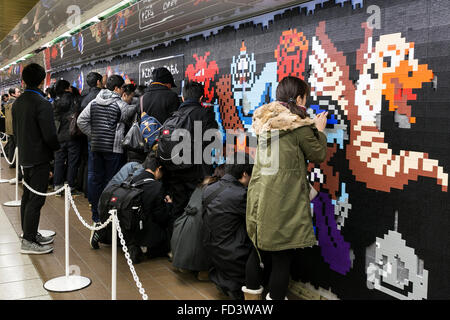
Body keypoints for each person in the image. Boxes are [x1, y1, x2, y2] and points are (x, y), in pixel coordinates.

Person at [242, 76, 328, 300]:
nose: (306, 104)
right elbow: (318, 154)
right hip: (282, 199)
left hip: (259, 195)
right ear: (299, 98)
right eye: (305, 99)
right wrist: (320, 130)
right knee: (282, 257)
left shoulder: (264, 120)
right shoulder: (298, 125)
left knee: (257, 250)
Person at [77, 75, 138, 227]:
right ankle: (108, 214)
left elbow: (80, 121)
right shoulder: (120, 104)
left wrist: (95, 134)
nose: (124, 90)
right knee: (111, 181)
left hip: (96, 146)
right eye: (122, 87)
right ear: (117, 89)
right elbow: (130, 112)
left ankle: (96, 215)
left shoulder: (94, 102)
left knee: (96, 179)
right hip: (114, 148)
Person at [12, 63, 60, 254]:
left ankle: (28, 234)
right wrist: (56, 150)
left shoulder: (18, 103)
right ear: (42, 81)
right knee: (36, 200)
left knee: (27, 197)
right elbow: (49, 135)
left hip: (24, 156)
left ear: (24, 81)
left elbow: (16, 131)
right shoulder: (42, 104)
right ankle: (29, 241)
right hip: (39, 157)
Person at [92, 152, 173, 264]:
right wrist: (169, 204)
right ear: (158, 169)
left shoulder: (132, 178)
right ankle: (144, 249)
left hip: (128, 224)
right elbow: (161, 216)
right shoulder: (157, 187)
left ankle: (104, 233)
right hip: (145, 230)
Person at [163, 80, 219, 233]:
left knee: (177, 208)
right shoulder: (204, 113)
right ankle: (192, 247)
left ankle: (174, 246)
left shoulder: (175, 115)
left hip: (175, 170)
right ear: (201, 98)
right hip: (196, 170)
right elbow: (212, 139)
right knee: (196, 208)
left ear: (183, 98)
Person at [202, 153, 254, 300]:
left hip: (210, 248)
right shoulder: (241, 195)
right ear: (245, 174)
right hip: (233, 254)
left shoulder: (209, 189)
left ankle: (225, 282)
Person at [171, 164, 225, 280]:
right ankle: (203, 270)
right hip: (197, 230)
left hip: (182, 227)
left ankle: (187, 265)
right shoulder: (218, 187)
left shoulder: (202, 184)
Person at [52, 80, 82, 195]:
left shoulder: (55, 102)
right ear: (66, 88)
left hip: (59, 136)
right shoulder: (76, 100)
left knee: (58, 161)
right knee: (72, 162)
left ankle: (57, 185)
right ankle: (70, 186)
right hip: (72, 135)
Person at [80, 72, 104, 204]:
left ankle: (90, 196)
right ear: (99, 82)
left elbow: (81, 121)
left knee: (92, 169)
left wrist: (90, 133)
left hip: (90, 138)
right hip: (104, 138)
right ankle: (99, 198)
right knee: (102, 170)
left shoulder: (84, 98)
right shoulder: (103, 95)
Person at [3, 88, 21, 169]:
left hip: (9, 129)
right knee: (18, 146)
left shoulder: (7, 103)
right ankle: (18, 165)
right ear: (13, 94)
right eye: (18, 92)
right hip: (16, 128)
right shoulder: (16, 103)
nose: (20, 93)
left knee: (11, 146)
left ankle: (12, 163)